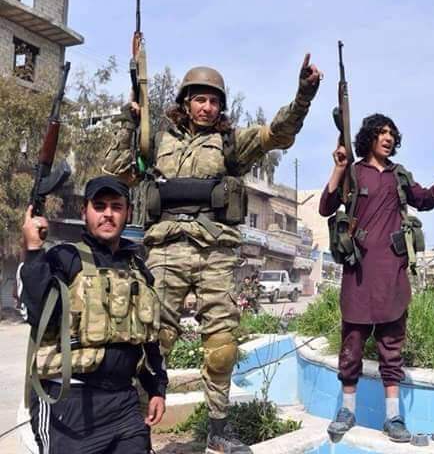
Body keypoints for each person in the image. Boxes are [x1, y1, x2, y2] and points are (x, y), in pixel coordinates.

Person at [104, 55, 321, 453]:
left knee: (221, 347)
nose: (207, 107)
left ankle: (218, 429)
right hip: (166, 249)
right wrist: (128, 122)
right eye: (200, 99)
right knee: (153, 339)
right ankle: (136, 428)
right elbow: (118, 171)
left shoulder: (230, 143)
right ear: (185, 102)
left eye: (214, 101)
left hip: (216, 251)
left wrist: (303, 96)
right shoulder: (157, 140)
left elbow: (277, 133)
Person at [319, 113, 434, 442]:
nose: (387, 138)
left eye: (391, 133)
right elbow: (326, 207)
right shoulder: (354, 172)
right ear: (368, 137)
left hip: (393, 274)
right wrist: (339, 168)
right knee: (352, 345)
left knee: (391, 348)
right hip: (358, 274)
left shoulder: (399, 175)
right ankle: (347, 411)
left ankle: (393, 418)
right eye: (381, 132)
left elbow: (425, 200)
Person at [21, 176, 167, 453]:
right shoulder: (64, 258)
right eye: (99, 206)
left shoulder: (137, 268)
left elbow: (149, 339)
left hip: (123, 404)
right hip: (70, 404)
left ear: (128, 213)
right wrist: (33, 251)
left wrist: (157, 389)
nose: (108, 214)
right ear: (84, 212)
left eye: (116, 206)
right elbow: (39, 314)